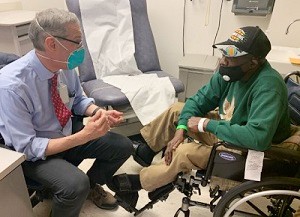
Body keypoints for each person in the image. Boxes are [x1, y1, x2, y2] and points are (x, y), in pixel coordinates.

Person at [109, 26, 292, 210]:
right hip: (230, 128)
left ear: (253, 63)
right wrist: (181, 129)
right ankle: (146, 154)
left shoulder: (268, 86)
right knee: (177, 110)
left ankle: (137, 184)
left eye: (231, 57)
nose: (223, 61)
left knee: (185, 152)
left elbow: (257, 139)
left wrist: (206, 124)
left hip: (252, 149)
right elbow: (197, 101)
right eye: (223, 53)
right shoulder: (230, 73)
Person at [0, 8, 134, 217]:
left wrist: (98, 112)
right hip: (34, 154)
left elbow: (77, 99)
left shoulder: (64, 63)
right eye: (77, 41)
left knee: (123, 146)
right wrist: (82, 137)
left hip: (64, 131)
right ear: (52, 44)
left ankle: (91, 186)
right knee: (74, 185)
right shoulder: (11, 85)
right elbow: (27, 147)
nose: (81, 48)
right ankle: (76, 189)